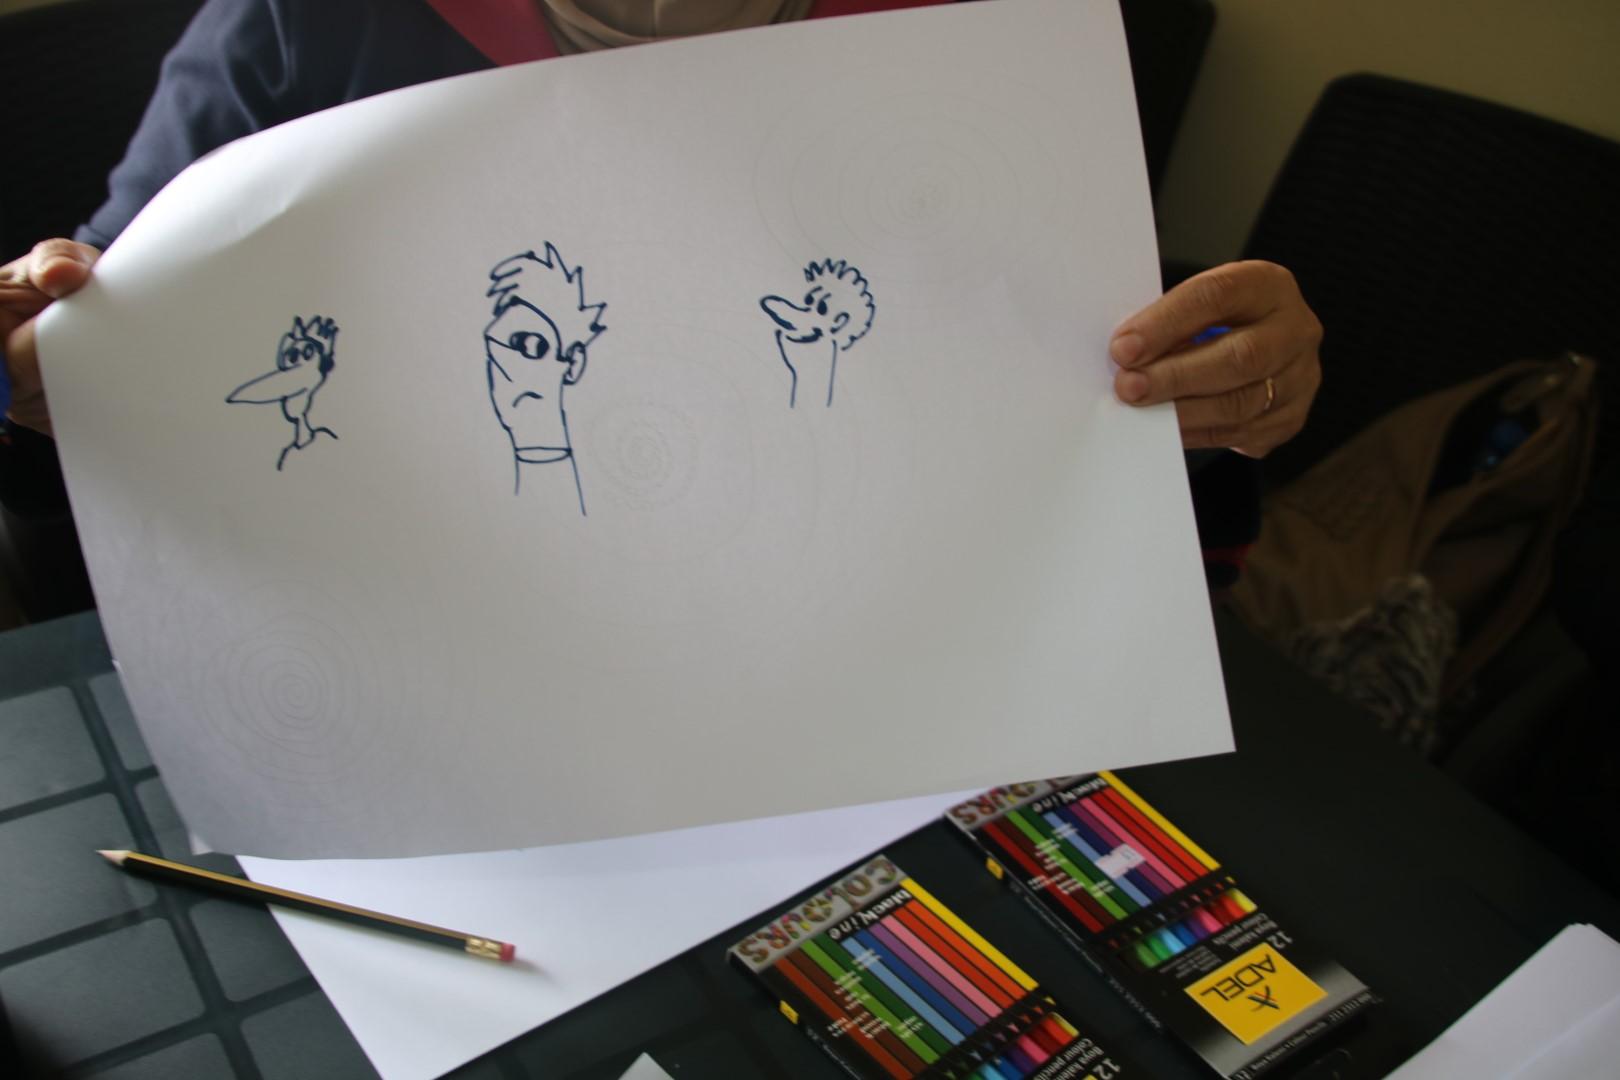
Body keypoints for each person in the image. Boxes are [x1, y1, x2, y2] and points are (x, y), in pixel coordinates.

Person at [1, 0, 1320, 581]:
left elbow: (1077, 377)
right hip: (408, 680)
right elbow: (98, 349)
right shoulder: (308, 21)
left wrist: (1226, 384)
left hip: (843, 701)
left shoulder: (987, 38)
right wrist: (40, 377)